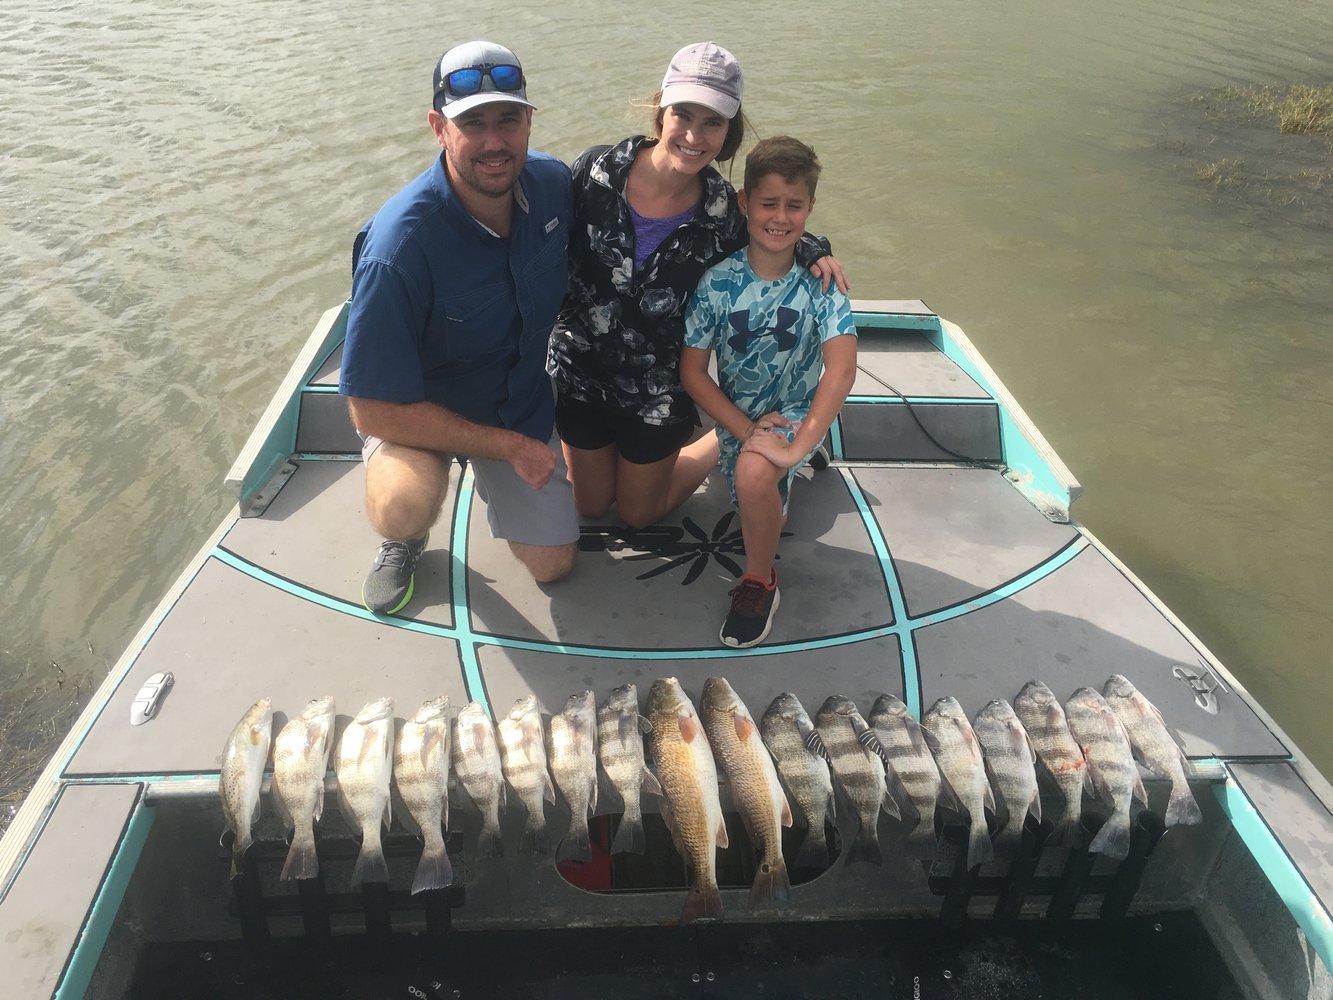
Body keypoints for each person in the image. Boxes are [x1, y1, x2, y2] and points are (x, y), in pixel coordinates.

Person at [548, 42, 847, 531]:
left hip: (657, 389)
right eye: (682, 114)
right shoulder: (595, 173)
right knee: (590, 507)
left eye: (713, 122)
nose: (693, 135)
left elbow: (777, 228)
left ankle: (718, 439)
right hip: (580, 372)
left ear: (729, 131)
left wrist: (817, 252)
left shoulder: (723, 213)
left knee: (639, 516)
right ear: (660, 111)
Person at [339, 40, 578, 616]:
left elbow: (653, 203)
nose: (494, 142)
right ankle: (405, 541)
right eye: (473, 123)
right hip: (415, 414)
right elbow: (370, 408)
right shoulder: (396, 249)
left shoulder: (553, 185)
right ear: (438, 128)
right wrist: (510, 448)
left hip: (516, 400)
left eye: (508, 120)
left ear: (529, 122)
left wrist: (806, 249)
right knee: (401, 504)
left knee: (556, 564)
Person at [679, 136, 858, 648]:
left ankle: (759, 580)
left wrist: (793, 445)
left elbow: (840, 372)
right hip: (742, 416)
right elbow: (693, 373)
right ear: (744, 203)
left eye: (794, 206)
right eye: (768, 203)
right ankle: (787, 462)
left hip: (797, 413)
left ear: (811, 208)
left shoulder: (824, 283)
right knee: (757, 491)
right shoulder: (716, 284)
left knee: (756, 474)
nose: (780, 218)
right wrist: (745, 428)